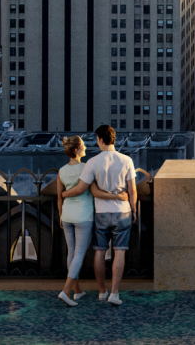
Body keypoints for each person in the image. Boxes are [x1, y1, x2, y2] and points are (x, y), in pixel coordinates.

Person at [82, 122, 139, 305]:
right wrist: (134, 209)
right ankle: (115, 293)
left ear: (100, 140)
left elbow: (86, 187)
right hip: (122, 212)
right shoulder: (126, 160)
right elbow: (132, 190)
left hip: (101, 213)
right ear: (114, 139)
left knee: (99, 252)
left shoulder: (92, 162)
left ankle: (102, 291)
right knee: (119, 252)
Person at [52, 134, 93, 307]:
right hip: (83, 215)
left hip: (67, 215)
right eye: (83, 145)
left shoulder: (61, 171)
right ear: (76, 149)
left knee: (72, 253)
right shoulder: (86, 168)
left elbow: (59, 198)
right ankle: (66, 291)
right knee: (79, 253)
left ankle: (77, 291)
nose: (85, 147)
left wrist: (61, 215)